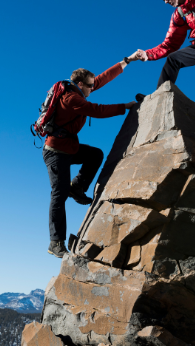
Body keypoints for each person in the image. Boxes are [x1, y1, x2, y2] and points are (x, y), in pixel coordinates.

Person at [43, 54, 140, 258]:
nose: (92, 89)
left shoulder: (79, 90)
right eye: (89, 86)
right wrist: (125, 107)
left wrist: (126, 61)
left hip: (69, 147)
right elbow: (95, 110)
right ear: (80, 84)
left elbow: (102, 78)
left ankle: (77, 187)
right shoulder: (70, 98)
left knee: (95, 155)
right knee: (58, 195)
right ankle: (55, 242)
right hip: (55, 152)